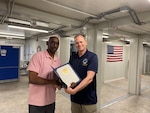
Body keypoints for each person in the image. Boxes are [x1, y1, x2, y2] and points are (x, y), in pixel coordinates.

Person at [27, 36, 61, 113]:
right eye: (52, 43)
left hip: (51, 101)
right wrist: (53, 82)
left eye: (57, 43)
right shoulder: (38, 56)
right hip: (36, 102)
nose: (55, 45)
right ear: (47, 43)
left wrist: (63, 83)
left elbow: (57, 79)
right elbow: (32, 79)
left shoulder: (58, 60)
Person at [65, 34, 98, 113]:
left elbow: (89, 78)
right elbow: (69, 74)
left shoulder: (92, 57)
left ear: (86, 42)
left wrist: (74, 90)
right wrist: (65, 85)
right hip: (75, 100)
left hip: (88, 100)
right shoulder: (73, 57)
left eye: (81, 42)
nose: (79, 44)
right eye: (77, 43)